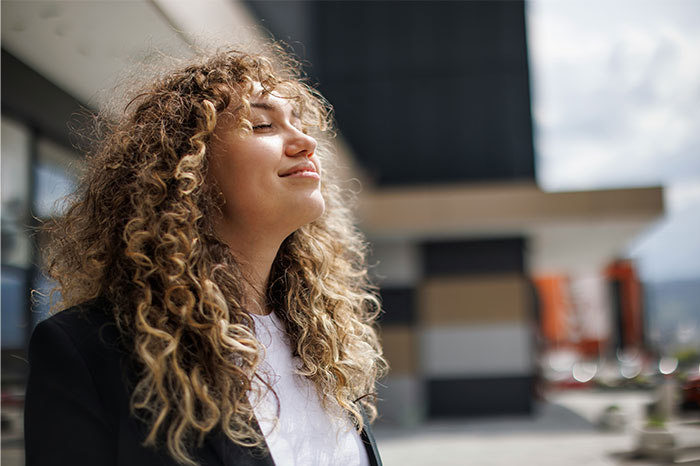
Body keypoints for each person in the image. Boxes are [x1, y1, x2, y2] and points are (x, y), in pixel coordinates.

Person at [24, 46, 386, 466]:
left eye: (302, 124)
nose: (306, 142)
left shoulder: (321, 346)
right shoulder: (90, 351)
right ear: (188, 167)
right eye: (263, 124)